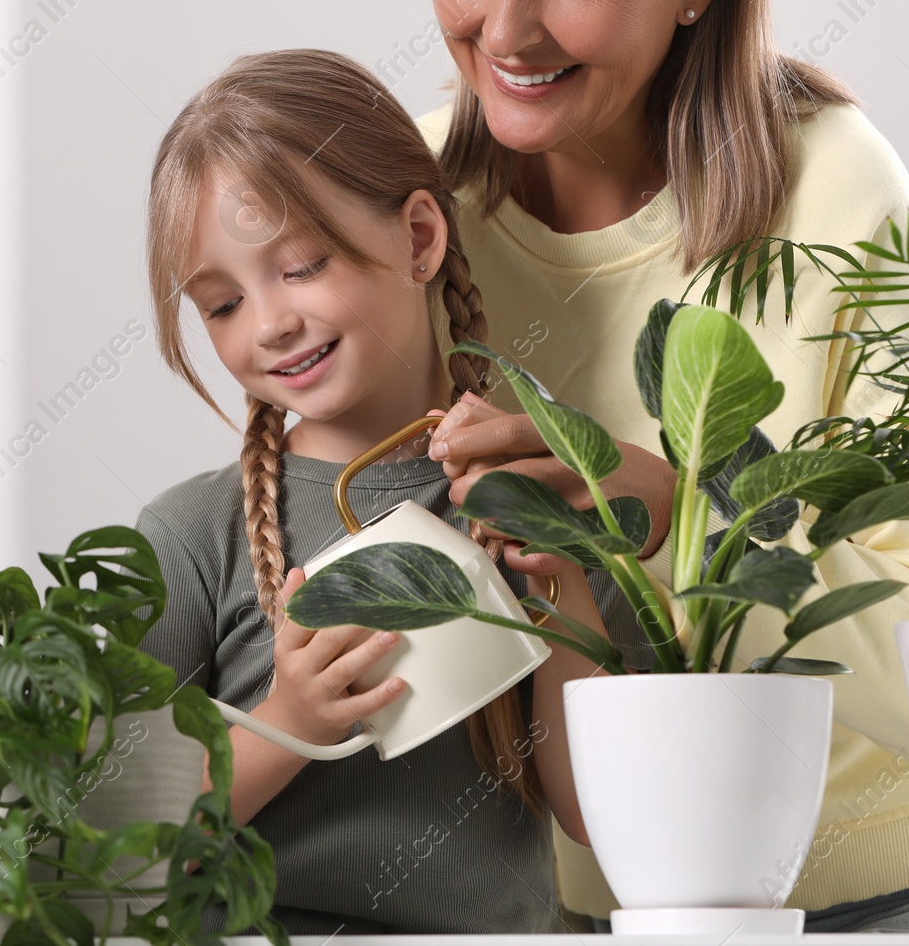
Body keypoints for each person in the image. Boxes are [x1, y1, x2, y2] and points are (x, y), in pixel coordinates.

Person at [413, 0, 909, 933]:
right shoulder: (409, 204)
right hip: (572, 910)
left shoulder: (834, 186)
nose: (506, 27)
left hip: (906, 893)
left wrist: (682, 513)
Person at [133, 48, 651, 935]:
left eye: (301, 267)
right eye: (221, 304)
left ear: (419, 237)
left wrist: (561, 571)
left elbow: (601, 816)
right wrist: (291, 719)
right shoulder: (190, 534)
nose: (270, 323)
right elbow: (124, 842)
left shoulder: (534, 485)